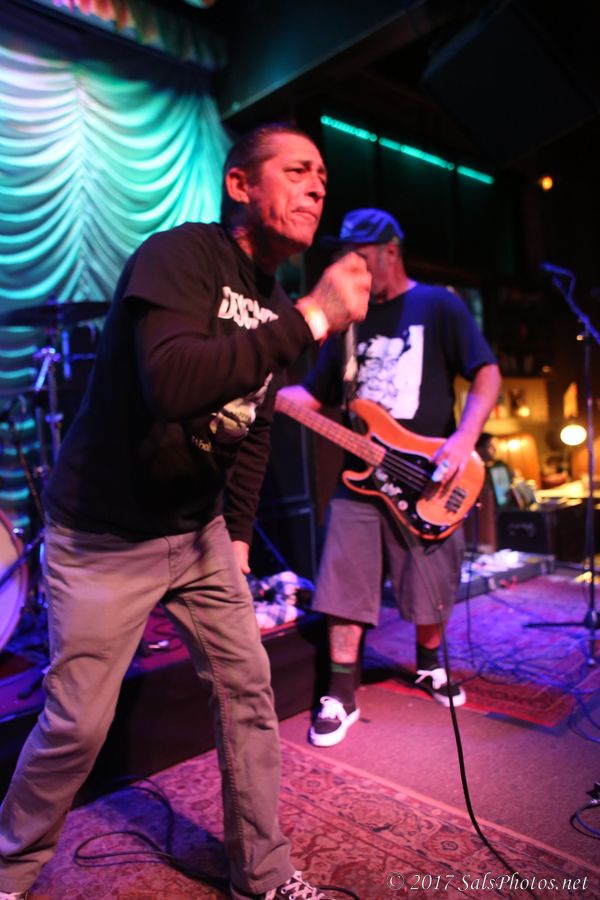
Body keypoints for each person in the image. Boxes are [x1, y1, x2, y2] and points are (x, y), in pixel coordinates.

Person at [0, 125, 371, 900]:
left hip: (198, 534)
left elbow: (254, 429)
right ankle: (7, 870)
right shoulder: (178, 257)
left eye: (323, 177)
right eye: (297, 170)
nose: (316, 187)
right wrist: (310, 320)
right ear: (240, 184)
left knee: (248, 692)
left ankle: (262, 876)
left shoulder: (276, 304)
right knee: (76, 726)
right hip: (103, 537)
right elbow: (170, 384)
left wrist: (236, 536)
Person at [279, 208, 501, 747]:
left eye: (360, 256)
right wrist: (271, 395)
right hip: (360, 476)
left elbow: (487, 372)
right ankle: (340, 692)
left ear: (390, 251)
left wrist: (463, 438)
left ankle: (429, 664)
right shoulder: (348, 324)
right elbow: (315, 393)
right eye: (345, 256)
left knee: (430, 579)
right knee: (342, 581)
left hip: (427, 473)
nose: (349, 267)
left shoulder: (438, 304)